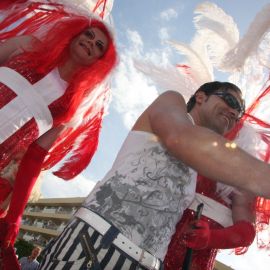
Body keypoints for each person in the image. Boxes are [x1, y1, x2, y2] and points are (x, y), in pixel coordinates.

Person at [39, 81, 270, 270]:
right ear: (200, 97)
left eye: (239, 112)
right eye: (230, 100)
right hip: (96, 244)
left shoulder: (198, 167)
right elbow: (179, 137)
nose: (233, 111)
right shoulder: (172, 101)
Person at [0, 2, 117, 269]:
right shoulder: (27, 46)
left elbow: (34, 157)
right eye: (89, 35)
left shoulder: (70, 105)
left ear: (98, 62)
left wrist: (14, 218)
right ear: (75, 33)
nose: (91, 43)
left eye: (99, 46)